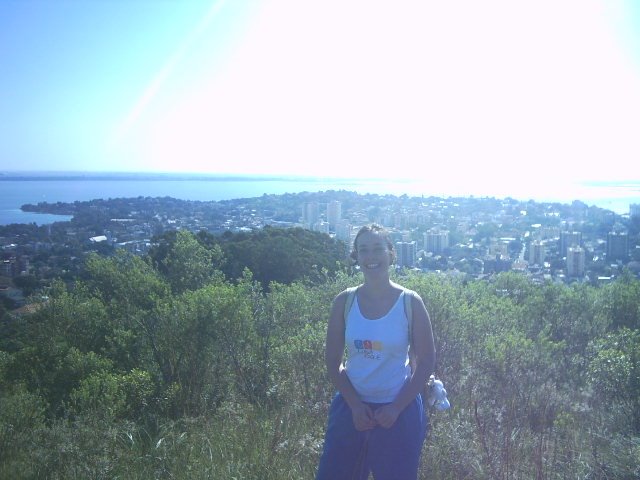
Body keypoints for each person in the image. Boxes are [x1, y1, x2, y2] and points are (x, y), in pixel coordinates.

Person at [316, 224, 436, 480]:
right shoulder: (344, 302)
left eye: (378, 249)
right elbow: (332, 361)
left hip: (399, 410)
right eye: (363, 250)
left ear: (391, 253)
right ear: (356, 257)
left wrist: (395, 408)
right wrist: (355, 406)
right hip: (350, 408)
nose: (371, 257)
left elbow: (426, 362)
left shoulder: (410, 302)